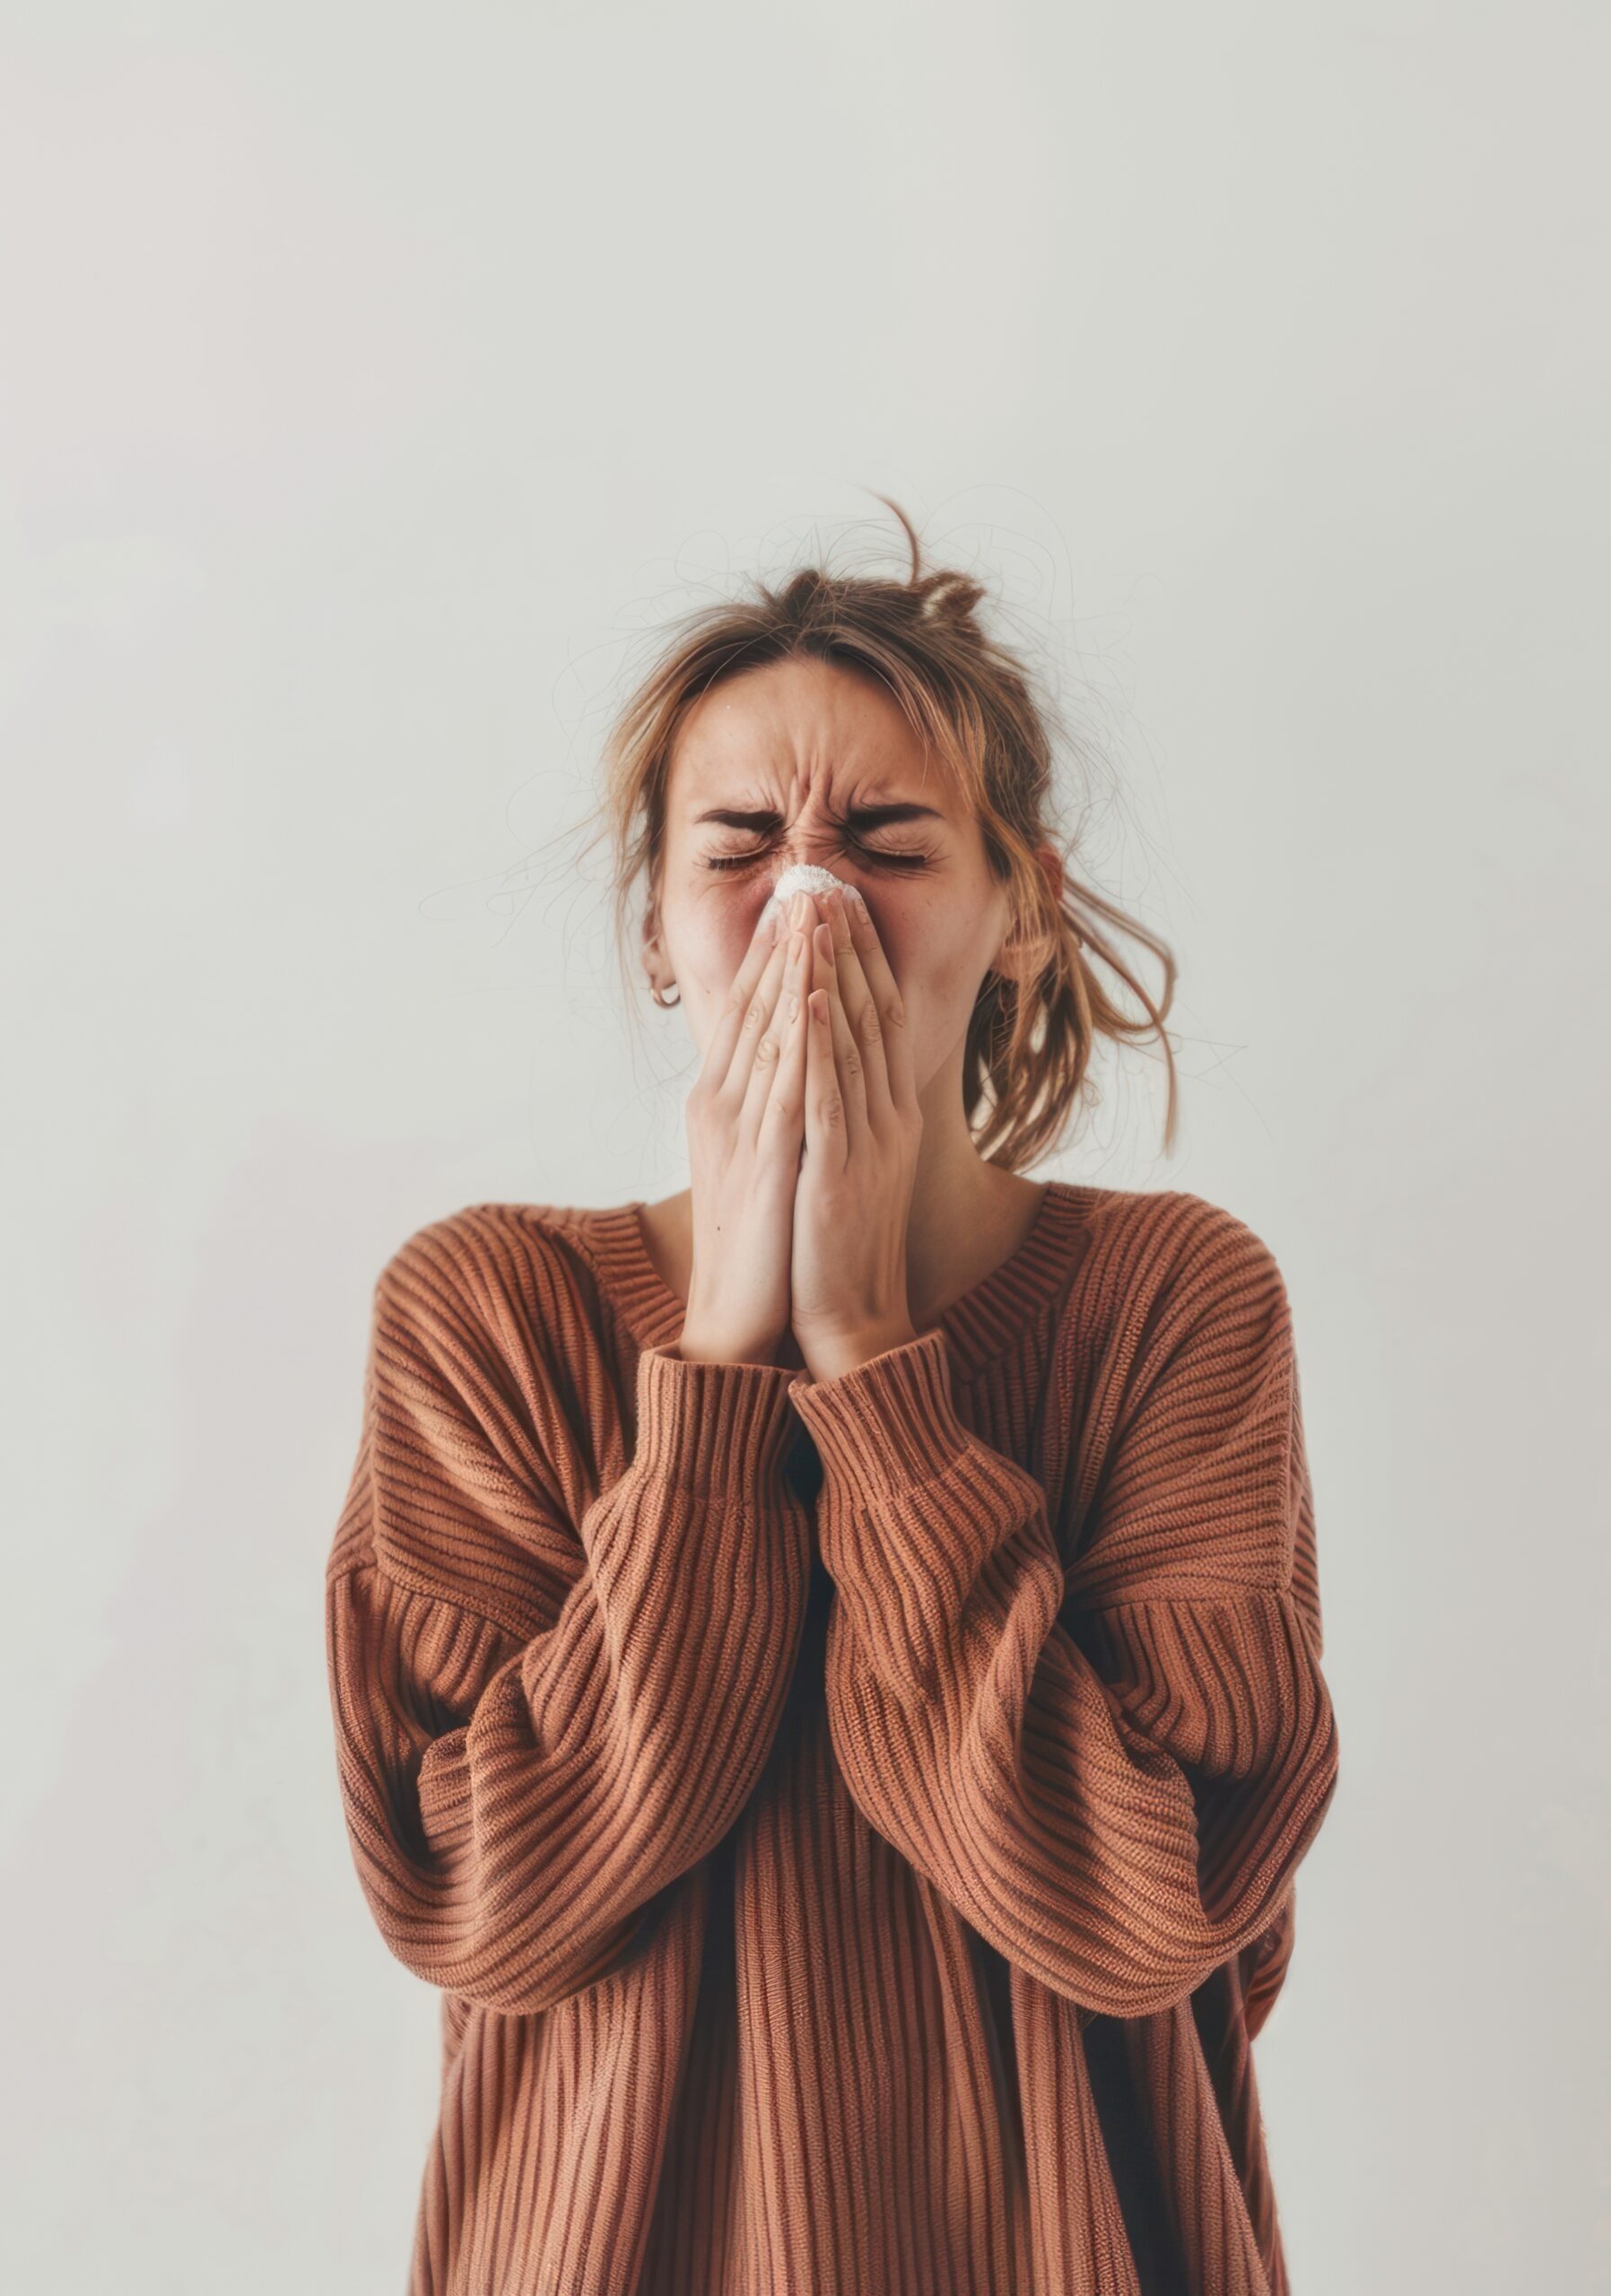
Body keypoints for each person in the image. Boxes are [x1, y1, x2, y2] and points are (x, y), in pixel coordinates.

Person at [324, 506, 1341, 2295]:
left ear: (1015, 907)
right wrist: (718, 1357)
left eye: (883, 839)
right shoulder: (489, 1309)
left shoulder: (1170, 1300)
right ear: (656, 924)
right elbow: (492, 1902)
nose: (810, 901)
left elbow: (1133, 1910)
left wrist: (870, 1357)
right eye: (739, 844)